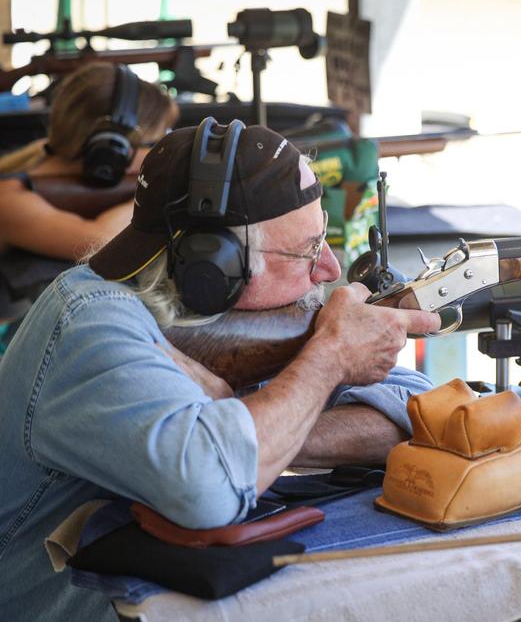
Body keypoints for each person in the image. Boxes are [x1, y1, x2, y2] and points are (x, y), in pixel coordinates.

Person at [0, 120, 441, 622]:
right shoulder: (89, 324)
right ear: (213, 264)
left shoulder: (237, 313)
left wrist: (239, 414)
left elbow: (415, 411)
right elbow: (210, 490)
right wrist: (330, 360)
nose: (330, 270)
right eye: (307, 249)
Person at [0, 62, 178, 330]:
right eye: (158, 142)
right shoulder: (8, 197)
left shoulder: (42, 168)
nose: (164, 153)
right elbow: (100, 239)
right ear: (112, 148)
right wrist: (164, 191)